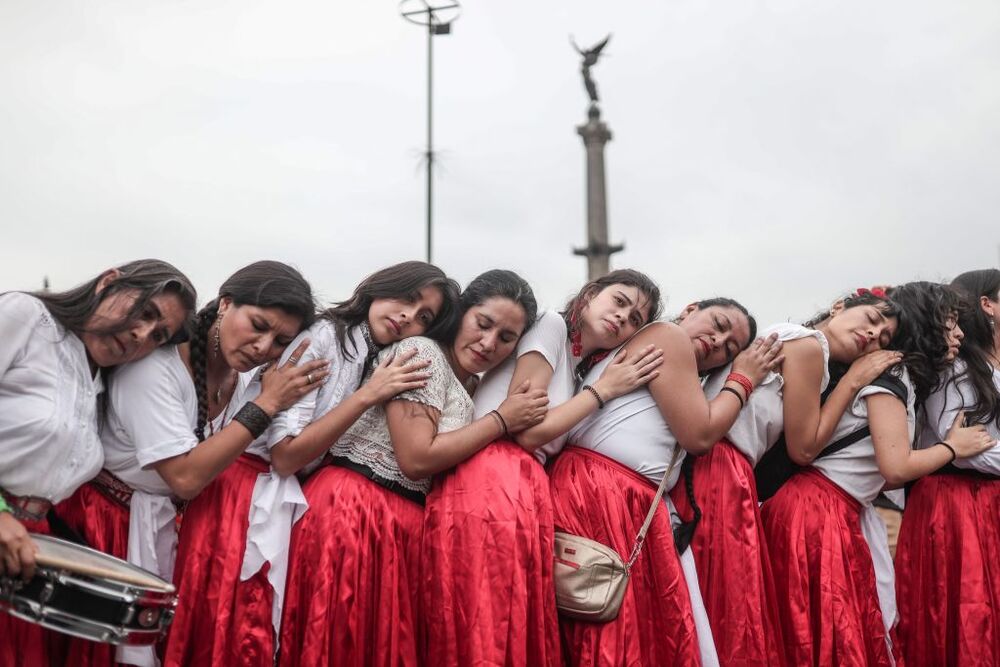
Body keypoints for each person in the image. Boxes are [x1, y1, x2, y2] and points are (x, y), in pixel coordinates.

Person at [278, 270, 548, 667]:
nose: (489, 343)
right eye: (483, 324)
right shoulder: (422, 352)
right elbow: (416, 458)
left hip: (398, 527)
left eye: (506, 338)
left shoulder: (467, 386)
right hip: (356, 512)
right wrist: (502, 420)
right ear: (460, 315)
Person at [422, 269, 665, 666]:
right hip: (495, 474)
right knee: (487, 618)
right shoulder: (551, 326)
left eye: (636, 319)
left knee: (511, 620)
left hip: (521, 488)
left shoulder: (577, 363)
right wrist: (605, 391)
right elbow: (527, 432)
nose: (623, 317)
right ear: (588, 296)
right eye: (619, 301)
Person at [762, 281, 995, 666]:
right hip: (818, 512)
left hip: (829, 509)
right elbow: (896, 468)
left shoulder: (899, 375)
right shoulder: (894, 376)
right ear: (927, 324)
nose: (960, 334)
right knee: (834, 638)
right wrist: (953, 448)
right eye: (949, 323)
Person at [670, 289, 902, 666]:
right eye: (872, 319)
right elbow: (804, 449)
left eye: (885, 338)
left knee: (717, 606)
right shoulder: (809, 345)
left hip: (721, 472)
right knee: (730, 609)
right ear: (839, 306)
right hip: (721, 475)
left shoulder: (802, 347)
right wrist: (853, 382)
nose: (874, 335)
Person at [549, 297, 782, 666]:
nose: (719, 342)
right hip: (608, 493)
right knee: (611, 629)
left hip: (618, 496)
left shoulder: (677, 363)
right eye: (718, 324)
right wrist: (743, 379)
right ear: (690, 310)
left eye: (730, 347)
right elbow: (700, 435)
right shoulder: (669, 336)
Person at [0, 259, 196, 666]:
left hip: (28, 557)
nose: (142, 334)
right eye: (145, 312)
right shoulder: (27, 317)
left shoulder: (100, 379)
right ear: (109, 281)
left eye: (158, 335)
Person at [160, 261, 329, 667]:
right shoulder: (165, 365)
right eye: (258, 324)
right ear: (225, 303)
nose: (262, 346)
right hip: (111, 525)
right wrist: (267, 405)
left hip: (179, 538)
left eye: (278, 342)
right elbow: (185, 478)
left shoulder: (241, 381)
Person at [896, 269, 1000, 666]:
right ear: (986, 305)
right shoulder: (955, 367)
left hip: (987, 499)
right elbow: (958, 442)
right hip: (955, 501)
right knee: (963, 610)